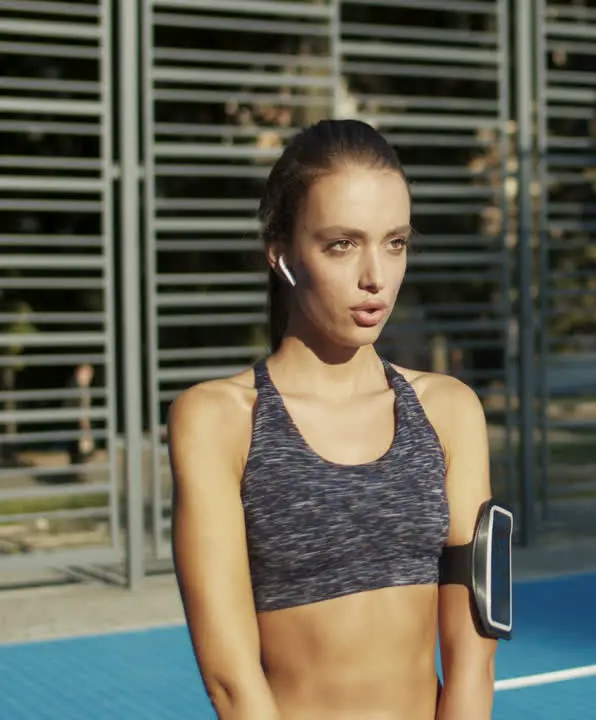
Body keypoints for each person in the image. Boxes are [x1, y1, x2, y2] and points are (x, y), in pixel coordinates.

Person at [168, 118, 498, 719]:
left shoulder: (451, 411)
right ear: (283, 254)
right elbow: (231, 683)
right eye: (341, 244)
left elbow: (475, 658)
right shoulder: (218, 421)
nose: (375, 276)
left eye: (394, 243)